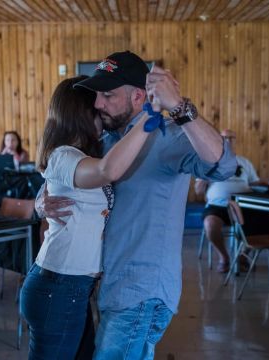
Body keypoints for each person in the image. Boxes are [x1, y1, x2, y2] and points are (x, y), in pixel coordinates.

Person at [36, 51, 237, 359]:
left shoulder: (169, 136)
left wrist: (179, 108)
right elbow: (66, 175)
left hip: (142, 293)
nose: (98, 103)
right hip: (107, 288)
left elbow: (223, 165)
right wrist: (42, 202)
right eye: (97, 95)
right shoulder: (103, 141)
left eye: (108, 95)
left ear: (138, 97)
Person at [20, 75, 157, 360]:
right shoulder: (64, 156)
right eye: (98, 106)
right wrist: (150, 115)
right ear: (83, 113)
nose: (103, 110)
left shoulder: (82, 153)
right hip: (57, 287)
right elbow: (107, 171)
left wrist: (40, 202)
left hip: (71, 287)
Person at [195, 129, 269, 273]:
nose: (228, 141)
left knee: (261, 219)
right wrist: (205, 176)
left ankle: (242, 255)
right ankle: (224, 257)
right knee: (210, 223)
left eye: (231, 138)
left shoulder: (244, 162)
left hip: (243, 205)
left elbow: (254, 182)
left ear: (235, 141)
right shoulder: (209, 161)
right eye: (225, 138)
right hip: (218, 206)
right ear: (220, 140)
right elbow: (198, 191)